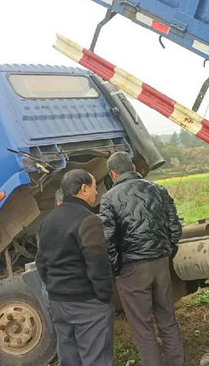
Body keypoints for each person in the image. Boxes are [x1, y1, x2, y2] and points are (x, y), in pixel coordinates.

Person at [99, 151, 185, 366]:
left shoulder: (109, 198)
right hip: (160, 262)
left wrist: (117, 269)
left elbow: (108, 240)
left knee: (143, 326)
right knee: (167, 319)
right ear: (134, 168)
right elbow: (175, 227)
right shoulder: (158, 190)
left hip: (132, 268)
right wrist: (167, 252)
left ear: (113, 173)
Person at [36, 169, 114, 366]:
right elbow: (98, 263)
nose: (97, 193)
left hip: (58, 302)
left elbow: (41, 263)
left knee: (70, 359)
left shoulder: (47, 222)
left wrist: (55, 287)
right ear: (84, 189)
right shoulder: (88, 220)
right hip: (87, 303)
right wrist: (103, 297)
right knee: (96, 359)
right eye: (95, 188)